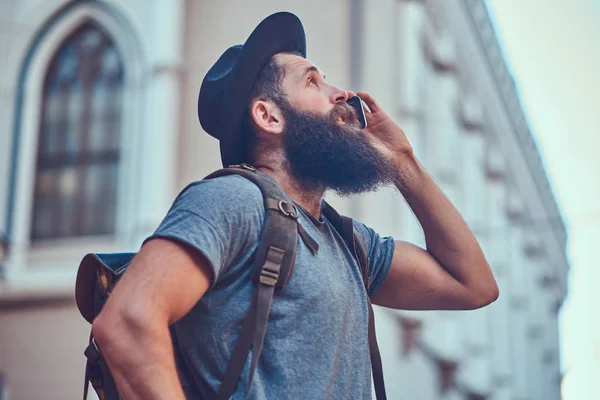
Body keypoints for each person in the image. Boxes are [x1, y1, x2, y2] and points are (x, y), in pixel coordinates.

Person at [91, 12, 498, 400]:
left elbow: (473, 286)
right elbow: (127, 323)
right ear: (268, 116)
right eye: (313, 82)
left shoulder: (349, 243)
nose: (341, 93)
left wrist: (402, 162)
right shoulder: (234, 200)